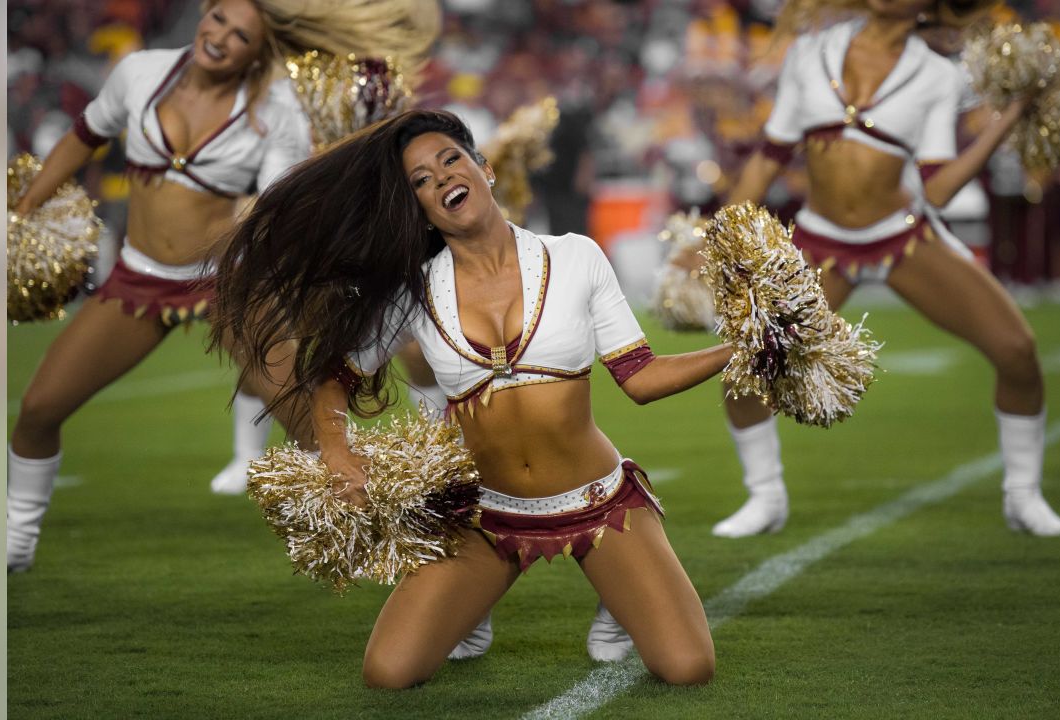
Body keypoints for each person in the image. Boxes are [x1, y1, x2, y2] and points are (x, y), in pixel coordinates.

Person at [213, 110, 731, 687]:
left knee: (688, 668)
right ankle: (481, 607)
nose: (440, 179)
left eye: (450, 160)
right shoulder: (413, 291)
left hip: (598, 502)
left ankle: (618, 597)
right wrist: (336, 450)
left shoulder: (574, 256)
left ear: (483, 168)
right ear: (419, 208)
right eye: (420, 181)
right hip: (484, 513)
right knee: (389, 672)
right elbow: (335, 375)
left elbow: (640, 377)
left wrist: (738, 348)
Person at [6, 0, 441, 572]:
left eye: (241, 36)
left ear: (258, 51)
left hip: (229, 283)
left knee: (312, 428)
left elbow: (277, 201)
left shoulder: (274, 106)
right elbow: (86, 135)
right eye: (218, 21)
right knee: (39, 408)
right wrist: (25, 209)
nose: (221, 39)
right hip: (140, 279)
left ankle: (404, 548)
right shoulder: (139, 73)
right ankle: (15, 541)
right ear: (203, 16)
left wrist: (259, 231)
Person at [703, 0, 1060, 538]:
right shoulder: (811, 52)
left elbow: (939, 187)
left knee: (1016, 350)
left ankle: (1023, 496)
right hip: (818, 241)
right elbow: (768, 157)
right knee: (745, 366)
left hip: (902, 237)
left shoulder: (937, 75)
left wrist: (1009, 119)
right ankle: (766, 495)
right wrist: (717, 238)